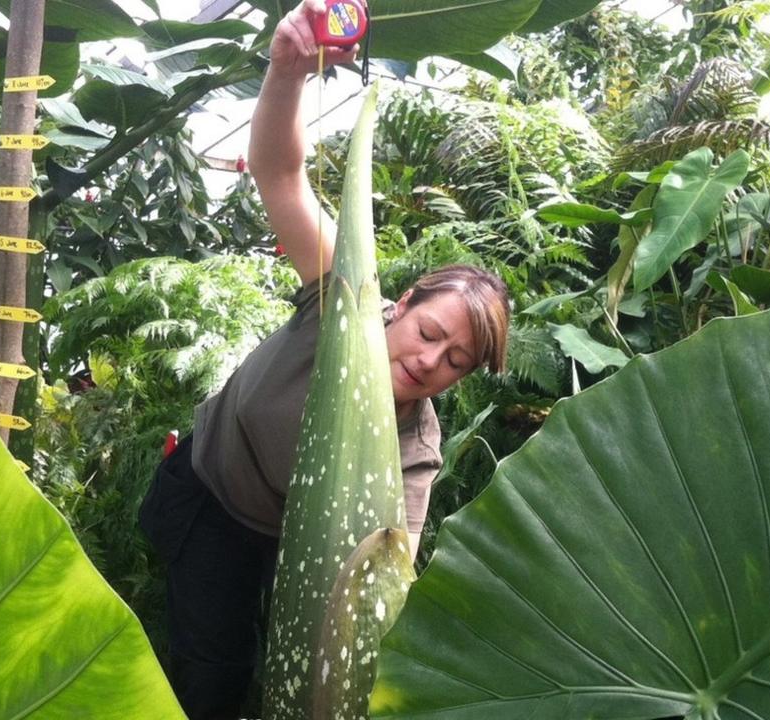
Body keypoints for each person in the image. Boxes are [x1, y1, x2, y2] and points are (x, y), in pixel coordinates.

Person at [136, 1, 512, 717]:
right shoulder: (344, 302)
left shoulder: (414, 445)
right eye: (431, 332)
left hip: (286, 542)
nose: (432, 360)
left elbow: (380, 569)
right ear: (401, 303)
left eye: (457, 361)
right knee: (213, 672)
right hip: (210, 494)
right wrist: (287, 70)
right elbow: (279, 172)